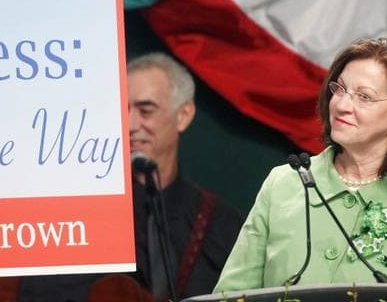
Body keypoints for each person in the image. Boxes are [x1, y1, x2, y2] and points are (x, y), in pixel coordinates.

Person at [215, 38, 387, 294]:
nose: (341, 105)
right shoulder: (283, 184)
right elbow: (230, 296)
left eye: (364, 96)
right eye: (340, 89)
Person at [18, 52, 243, 301]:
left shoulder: (219, 223)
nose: (130, 124)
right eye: (122, 110)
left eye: (145, 111)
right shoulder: (78, 218)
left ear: (183, 115)